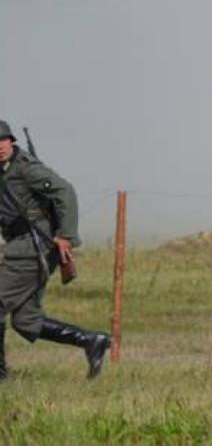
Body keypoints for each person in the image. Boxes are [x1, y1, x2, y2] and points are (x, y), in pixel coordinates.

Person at [0, 119, 111, 381]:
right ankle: (91, 340)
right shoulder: (4, 171)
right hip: (21, 246)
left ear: (11, 141)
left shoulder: (26, 169)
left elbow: (66, 192)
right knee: (26, 321)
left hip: (32, 248)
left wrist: (66, 236)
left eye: (3, 141)